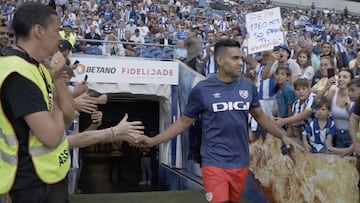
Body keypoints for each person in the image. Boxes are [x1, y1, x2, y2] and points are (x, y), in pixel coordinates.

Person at [0, 3, 144, 203]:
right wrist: (60, 103)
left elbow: (67, 114)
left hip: (47, 178)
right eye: (56, 30)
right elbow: (51, 136)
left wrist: (58, 79)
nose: (60, 37)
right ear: (38, 31)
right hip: (29, 183)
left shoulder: (39, 68)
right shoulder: (18, 75)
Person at [135, 39, 295, 203]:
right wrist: (154, 140)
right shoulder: (202, 90)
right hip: (214, 161)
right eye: (234, 58)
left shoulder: (247, 87)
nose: (240, 63)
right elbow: (183, 122)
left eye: (240, 58)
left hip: (241, 162)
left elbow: (261, 117)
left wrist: (282, 135)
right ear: (220, 60)